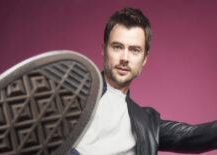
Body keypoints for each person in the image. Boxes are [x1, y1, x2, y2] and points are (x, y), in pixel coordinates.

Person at [70, 8, 217, 155]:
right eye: (117, 47)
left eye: (134, 50)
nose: (124, 58)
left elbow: (191, 136)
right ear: (104, 49)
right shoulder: (71, 91)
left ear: (145, 58)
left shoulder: (146, 124)